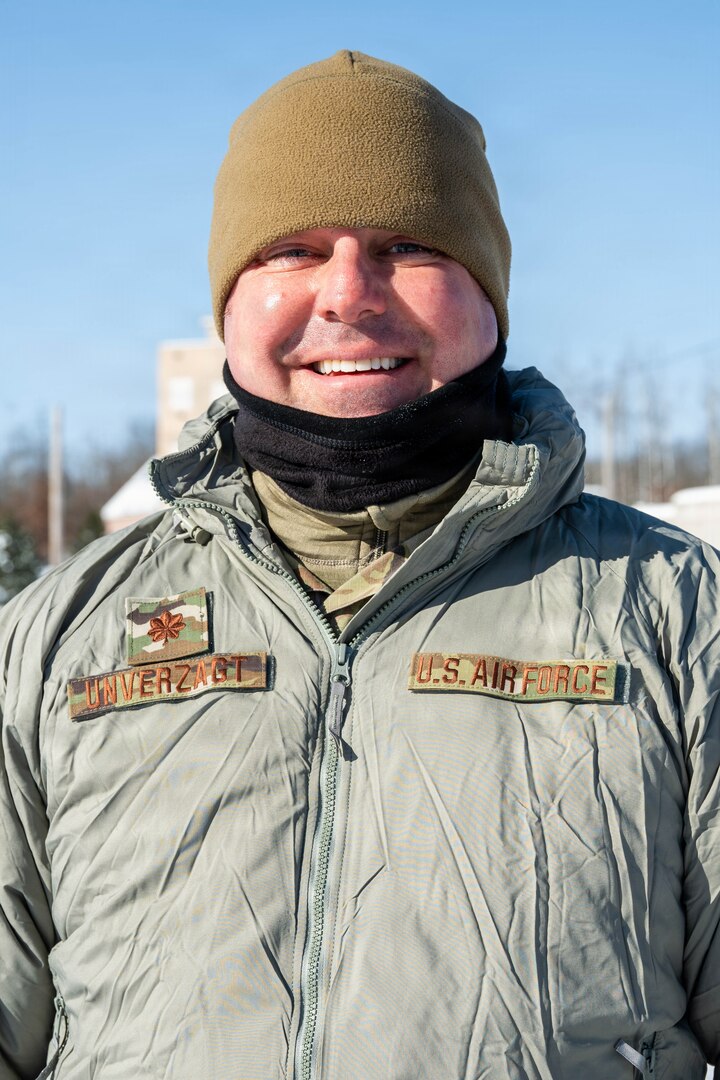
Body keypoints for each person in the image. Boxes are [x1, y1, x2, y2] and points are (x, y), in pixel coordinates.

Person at [0, 50, 718, 1080]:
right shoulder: (53, 639)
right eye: (291, 249)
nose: (348, 294)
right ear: (229, 303)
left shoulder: (677, 613)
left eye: (408, 244)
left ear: (488, 292)